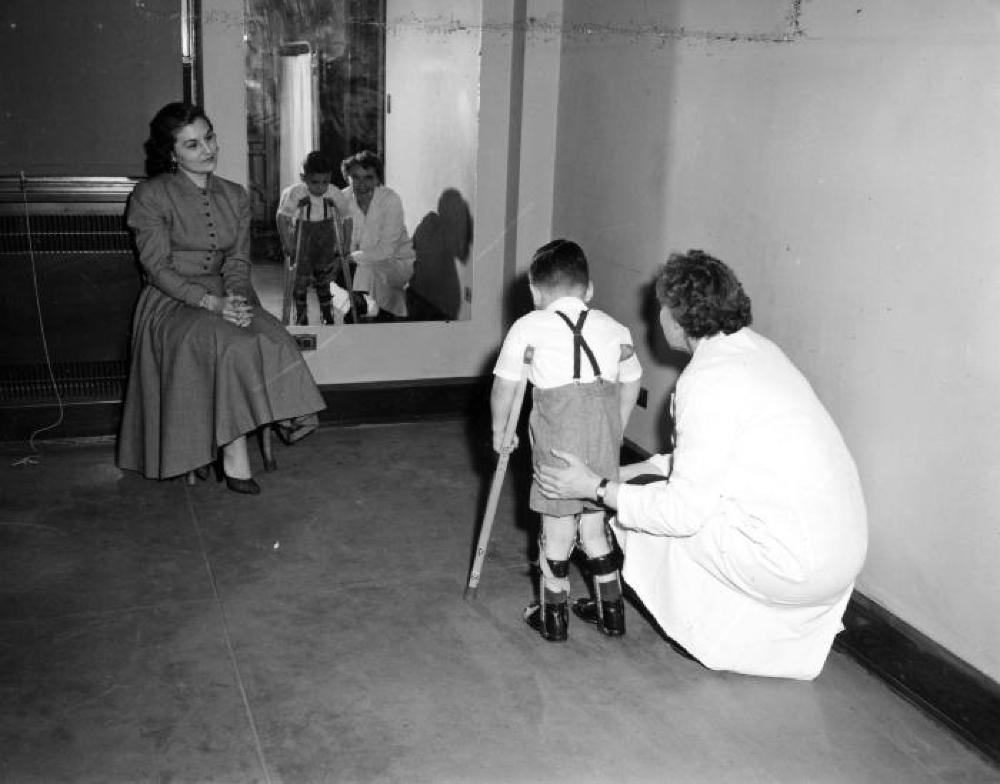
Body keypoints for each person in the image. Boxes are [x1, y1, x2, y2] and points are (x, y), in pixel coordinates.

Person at [534, 250, 868, 678]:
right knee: (643, 489)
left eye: (660, 309)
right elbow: (710, 457)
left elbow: (681, 513)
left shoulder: (704, 381)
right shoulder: (757, 351)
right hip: (838, 559)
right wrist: (618, 475)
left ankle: (704, 632)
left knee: (636, 516)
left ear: (676, 319)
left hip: (791, 567)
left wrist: (596, 489)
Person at [117, 102, 325, 494]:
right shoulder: (150, 195)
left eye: (209, 137)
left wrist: (238, 301)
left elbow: (238, 260)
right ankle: (233, 449)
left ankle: (271, 421)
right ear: (171, 153)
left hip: (227, 295)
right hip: (170, 302)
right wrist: (213, 304)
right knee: (229, 345)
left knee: (274, 337)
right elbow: (158, 269)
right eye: (193, 144)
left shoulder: (235, 195)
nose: (208, 149)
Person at [492, 239, 642, 642]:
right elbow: (632, 378)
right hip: (601, 445)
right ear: (589, 290)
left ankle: (552, 615)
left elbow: (504, 389)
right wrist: (620, 423)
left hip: (558, 449)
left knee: (557, 534)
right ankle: (612, 612)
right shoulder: (615, 328)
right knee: (595, 532)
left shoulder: (528, 326)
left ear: (535, 291)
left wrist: (500, 430)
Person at [275, 151, 351, 326]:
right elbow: (282, 217)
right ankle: (302, 316)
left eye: (325, 182)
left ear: (330, 178)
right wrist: (287, 243)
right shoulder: (295, 192)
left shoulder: (334, 193)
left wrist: (345, 244)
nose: (320, 188)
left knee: (323, 279)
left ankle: (327, 314)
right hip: (303, 236)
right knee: (300, 279)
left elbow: (347, 218)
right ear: (304, 178)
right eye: (314, 182)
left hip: (325, 237)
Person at [338, 150, 416, 320]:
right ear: (347, 177)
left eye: (369, 177)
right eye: (355, 177)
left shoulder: (390, 199)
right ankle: (358, 301)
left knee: (358, 266)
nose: (362, 184)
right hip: (361, 260)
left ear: (378, 179)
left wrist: (350, 257)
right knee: (335, 264)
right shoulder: (341, 199)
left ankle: (381, 307)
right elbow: (339, 238)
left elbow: (387, 250)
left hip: (394, 260)